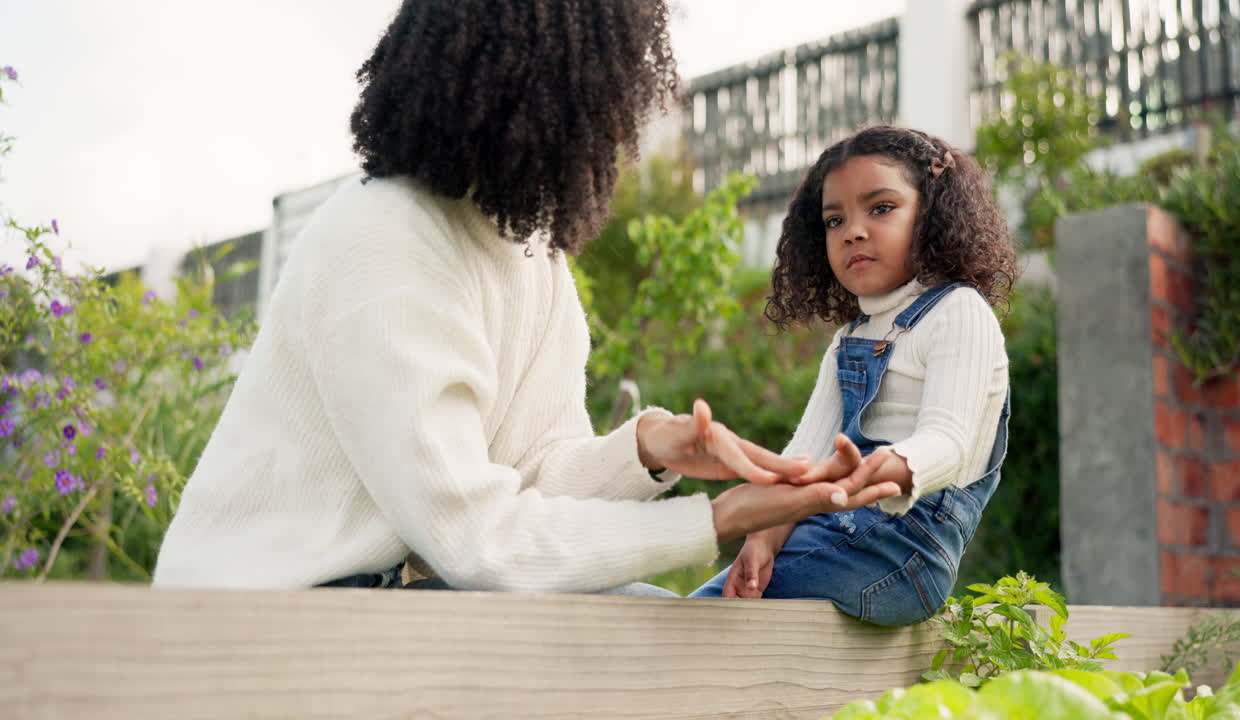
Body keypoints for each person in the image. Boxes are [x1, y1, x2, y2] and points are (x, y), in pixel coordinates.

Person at [152, 0, 901, 593]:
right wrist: (715, 522)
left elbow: (531, 474)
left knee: (652, 630)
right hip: (264, 612)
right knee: (640, 644)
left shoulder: (533, 256)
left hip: (393, 598)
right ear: (535, 89)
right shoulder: (381, 235)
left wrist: (644, 450)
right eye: (603, 95)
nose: (619, 126)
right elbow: (475, 536)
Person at [688, 125, 1019, 625]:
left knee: (701, 621)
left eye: (881, 208)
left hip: (901, 550)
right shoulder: (850, 338)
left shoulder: (959, 311)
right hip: (832, 527)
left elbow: (949, 443)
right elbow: (804, 457)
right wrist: (763, 538)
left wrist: (877, 470)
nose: (853, 231)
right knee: (712, 609)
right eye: (834, 219)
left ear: (931, 214)